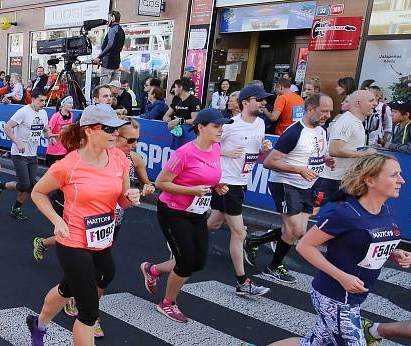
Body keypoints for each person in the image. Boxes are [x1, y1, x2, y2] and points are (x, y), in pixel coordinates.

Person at [241, 154, 409, 346]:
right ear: (370, 180)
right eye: (395, 175)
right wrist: (341, 276)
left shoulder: (383, 208)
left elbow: (375, 241)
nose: (402, 180)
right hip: (335, 298)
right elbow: (306, 245)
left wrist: (395, 254)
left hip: (353, 299)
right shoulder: (345, 213)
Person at [27, 103, 137, 346]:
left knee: (76, 285)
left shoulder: (118, 158)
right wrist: (57, 221)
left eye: (118, 128)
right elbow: (38, 192)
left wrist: (133, 197)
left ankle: (39, 323)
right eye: (111, 129)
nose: (118, 134)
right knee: (88, 312)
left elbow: (122, 201)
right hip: (73, 240)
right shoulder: (68, 165)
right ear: (90, 130)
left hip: (101, 239)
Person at [140, 109, 230, 323]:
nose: (221, 130)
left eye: (222, 127)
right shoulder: (185, 153)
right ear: (201, 127)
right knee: (186, 261)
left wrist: (217, 186)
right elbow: (161, 183)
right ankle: (168, 303)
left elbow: (207, 176)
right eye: (216, 126)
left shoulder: (215, 148)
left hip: (197, 211)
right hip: (173, 211)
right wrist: (192, 191)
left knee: (197, 262)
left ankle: (152, 270)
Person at [245, 93, 334, 281]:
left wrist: (327, 159)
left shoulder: (321, 130)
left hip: (307, 185)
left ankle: (254, 240)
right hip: (286, 183)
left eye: (330, 111)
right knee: (294, 230)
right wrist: (298, 170)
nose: (328, 115)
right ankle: (274, 265)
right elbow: (269, 162)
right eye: (324, 111)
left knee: (299, 231)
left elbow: (317, 153)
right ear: (311, 109)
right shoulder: (294, 132)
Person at [205, 85, 274, 296]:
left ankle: (186, 238)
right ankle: (243, 282)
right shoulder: (231, 125)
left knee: (215, 222)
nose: (263, 103)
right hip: (227, 183)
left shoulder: (261, 123)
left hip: (242, 180)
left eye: (264, 100)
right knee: (239, 232)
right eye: (259, 100)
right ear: (245, 102)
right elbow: (207, 144)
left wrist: (264, 149)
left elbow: (252, 153)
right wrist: (224, 150)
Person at [0, 90, 50, 220]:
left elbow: (46, 130)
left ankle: (16, 208)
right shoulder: (24, 111)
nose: (43, 103)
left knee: (30, 186)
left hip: (33, 155)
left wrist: (49, 137)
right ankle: (0, 185)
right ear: (33, 99)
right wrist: (17, 142)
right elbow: (7, 128)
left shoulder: (44, 113)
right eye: (41, 100)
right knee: (25, 185)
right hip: (19, 154)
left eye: (45, 101)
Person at [315, 90, 377, 207]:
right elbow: (335, 150)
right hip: (332, 178)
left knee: (344, 212)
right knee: (310, 211)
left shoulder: (357, 122)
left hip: (346, 178)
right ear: (358, 103)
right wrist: (365, 154)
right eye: (371, 101)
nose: (375, 104)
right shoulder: (346, 122)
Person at [33, 96, 75, 260]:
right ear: (63, 105)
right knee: (55, 182)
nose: (71, 105)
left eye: (72, 103)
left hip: (64, 150)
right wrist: (54, 136)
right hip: (54, 151)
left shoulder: (70, 117)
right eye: (69, 103)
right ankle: (46, 201)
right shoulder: (56, 116)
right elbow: (48, 130)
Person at [93, 11, 126, 85]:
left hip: (108, 64)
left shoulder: (113, 29)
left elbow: (110, 45)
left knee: (104, 88)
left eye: (109, 18)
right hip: (116, 63)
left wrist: (99, 57)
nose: (108, 20)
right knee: (114, 88)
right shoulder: (121, 31)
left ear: (112, 18)